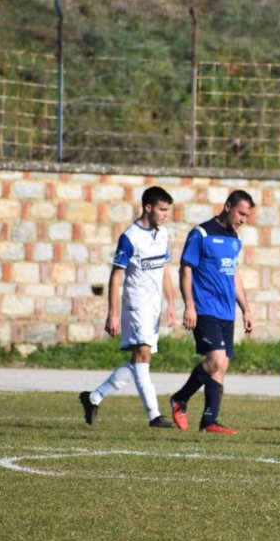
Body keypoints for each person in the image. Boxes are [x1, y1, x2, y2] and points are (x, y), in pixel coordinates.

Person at [79, 186, 178, 428]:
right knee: (143, 355)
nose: (166, 214)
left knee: (139, 361)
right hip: (136, 305)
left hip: (154, 307)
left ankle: (93, 397)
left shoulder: (162, 234)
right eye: (162, 209)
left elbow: (164, 269)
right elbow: (116, 277)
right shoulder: (130, 237)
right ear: (148, 207)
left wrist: (171, 303)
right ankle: (154, 415)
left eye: (168, 210)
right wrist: (113, 315)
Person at [168, 190, 255, 435]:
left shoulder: (234, 239)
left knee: (221, 365)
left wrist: (246, 310)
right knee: (216, 360)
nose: (243, 219)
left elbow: (234, 275)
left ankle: (209, 421)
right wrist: (189, 305)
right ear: (227, 206)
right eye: (240, 213)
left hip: (227, 312)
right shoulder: (201, 234)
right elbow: (186, 270)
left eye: (247, 215)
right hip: (205, 309)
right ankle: (180, 399)